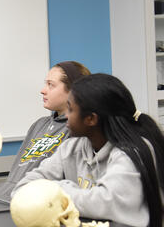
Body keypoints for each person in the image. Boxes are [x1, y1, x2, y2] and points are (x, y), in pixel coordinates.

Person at [13, 73, 164, 226]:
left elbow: (105, 203)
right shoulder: (70, 147)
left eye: (70, 110)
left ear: (91, 119)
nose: (66, 116)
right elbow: (23, 188)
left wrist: (54, 190)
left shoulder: (132, 152)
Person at [0, 61, 90, 199]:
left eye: (51, 85)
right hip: (8, 196)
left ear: (73, 91)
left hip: (37, 202)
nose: (43, 90)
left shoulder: (77, 130)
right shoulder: (39, 125)